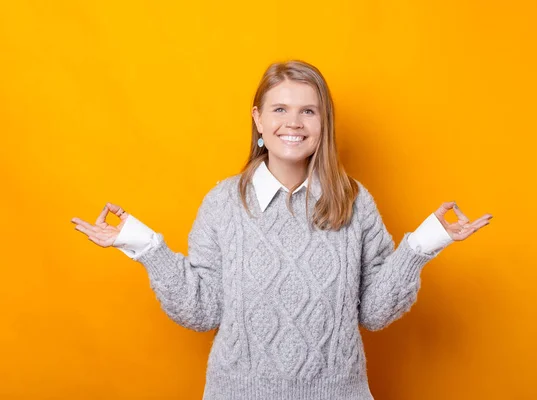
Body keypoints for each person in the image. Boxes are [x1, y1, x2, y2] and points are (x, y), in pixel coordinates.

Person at [71, 60, 492, 400]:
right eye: (279, 109)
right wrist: (142, 244)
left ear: (323, 121)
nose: (294, 122)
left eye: (308, 110)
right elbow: (202, 311)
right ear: (257, 119)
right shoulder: (223, 203)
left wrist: (424, 244)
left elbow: (375, 312)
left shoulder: (353, 200)